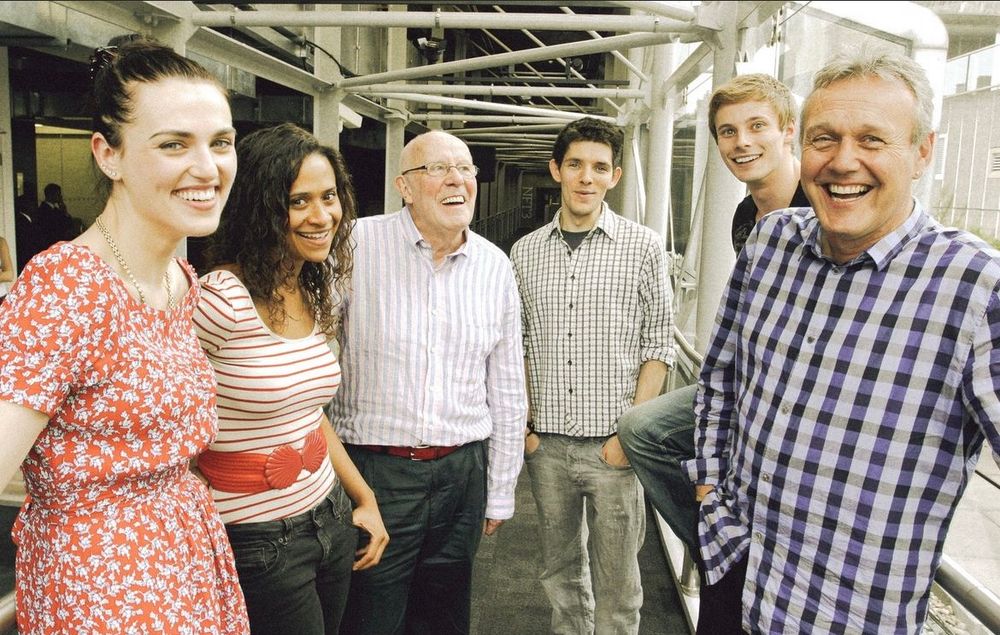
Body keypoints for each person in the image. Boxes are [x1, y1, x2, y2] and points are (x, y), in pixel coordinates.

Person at [683, 51, 1000, 633]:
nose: (843, 161)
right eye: (824, 139)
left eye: (872, 139)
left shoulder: (977, 288)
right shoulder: (771, 242)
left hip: (844, 612)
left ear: (922, 152)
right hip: (735, 575)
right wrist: (710, 492)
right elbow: (721, 377)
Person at [0, 35, 249, 633]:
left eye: (220, 142)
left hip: (187, 562)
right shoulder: (67, 286)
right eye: (173, 144)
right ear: (107, 155)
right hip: (102, 589)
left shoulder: (180, 279)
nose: (208, 167)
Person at [615, 73, 809, 632]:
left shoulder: (820, 206)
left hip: (796, 390)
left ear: (787, 130)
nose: (741, 142)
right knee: (644, 429)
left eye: (756, 126)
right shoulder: (747, 217)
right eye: (728, 131)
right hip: (749, 375)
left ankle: (736, 552)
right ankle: (718, 546)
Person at [192, 123, 389, 634]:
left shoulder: (311, 289)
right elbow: (164, 416)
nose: (321, 216)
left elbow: (307, 414)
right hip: (255, 539)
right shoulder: (219, 300)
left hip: (329, 515)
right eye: (299, 201)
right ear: (261, 208)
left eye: (329, 197)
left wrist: (364, 498)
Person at [329, 130, 527, 635]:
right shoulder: (354, 245)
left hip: (462, 475)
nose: (457, 179)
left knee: (444, 617)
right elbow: (315, 355)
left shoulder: (495, 266)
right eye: (438, 168)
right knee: (371, 616)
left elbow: (507, 389)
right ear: (405, 187)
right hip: (376, 473)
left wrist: (500, 490)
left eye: (465, 169)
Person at [510, 117, 674, 635]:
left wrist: (630, 436)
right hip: (548, 447)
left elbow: (659, 345)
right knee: (558, 572)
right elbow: (520, 344)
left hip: (614, 449)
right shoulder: (525, 252)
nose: (586, 177)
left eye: (599, 167)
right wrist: (528, 430)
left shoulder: (644, 247)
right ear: (556, 170)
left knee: (618, 582)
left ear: (615, 176)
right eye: (576, 165)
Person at [35, 183, 78, 248]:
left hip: (58, 242)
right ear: (51, 195)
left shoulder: (56, 210)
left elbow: (69, 223)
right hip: (50, 244)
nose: (60, 196)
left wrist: (64, 211)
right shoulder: (43, 211)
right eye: (58, 194)